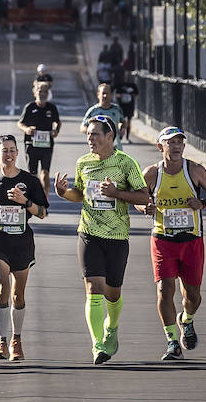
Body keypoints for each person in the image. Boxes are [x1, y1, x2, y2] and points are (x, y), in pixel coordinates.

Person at [53, 116, 149, 364]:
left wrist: (116, 193)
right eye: (88, 134)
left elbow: (143, 197)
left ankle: (112, 328)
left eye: (95, 134)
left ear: (110, 137)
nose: (90, 138)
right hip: (89, 232)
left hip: (117, 236)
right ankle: (98, 346)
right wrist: (63, 192)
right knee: (93, 289)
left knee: (112, 293)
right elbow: (79, 194)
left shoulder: (126, 164)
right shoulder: (83, 163)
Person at [142, 126, 206, 360]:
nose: (176, 147)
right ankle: (172, 342)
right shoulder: (151, 174)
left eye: (180, 143)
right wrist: (145, 208)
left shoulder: (195, 170)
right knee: (165, 289)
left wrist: (203, 204)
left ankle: (186, 320)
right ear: (160, 146)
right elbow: (138, 199)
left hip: (191, 240)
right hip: (162, 239)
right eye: (171, 142)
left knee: (193, 296)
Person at [0, 134, 48, 361]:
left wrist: (24, 202)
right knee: (2, 288)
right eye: (4, 150)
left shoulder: (30, 181)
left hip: (22, 242)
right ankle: (1, 342)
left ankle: (17, 340)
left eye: (12, 150)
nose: (8, 154)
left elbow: (43, 213)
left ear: (17, 153)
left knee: (18, 294)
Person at [17, 80, 61, 189]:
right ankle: (35, 199)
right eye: (40, 91)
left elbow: (57, 122)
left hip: (46, 145)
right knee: (33, 175)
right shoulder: (30, 107)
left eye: (45, 92)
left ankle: (44, 202)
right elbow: (20, 123)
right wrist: (27, 129)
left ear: (48, 94)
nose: (42, 94)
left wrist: (56, 130)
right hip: (31, 145)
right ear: (35, 93)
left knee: (45, 174)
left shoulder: (51, 108)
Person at [83, 83, 128, 150]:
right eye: (103, 93)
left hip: (115, 147)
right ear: (98, 95)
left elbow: (124, 122)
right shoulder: (93, 111)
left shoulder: (116, 109)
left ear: (111, 95)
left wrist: (123, 128)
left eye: (107, 93)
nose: (105, 96)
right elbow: (83, 127)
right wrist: (94, 133)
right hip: (98, 148)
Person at [113, 74, 139, 144]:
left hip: (130, 106)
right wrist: (121, 96)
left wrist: (130, 95)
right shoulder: (120, 85)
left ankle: (127, 137)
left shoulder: (133, 85)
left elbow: (136, 94)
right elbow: (116, 94)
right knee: (121, 122)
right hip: (122, 107)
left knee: (129, 122)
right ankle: (120, 136)